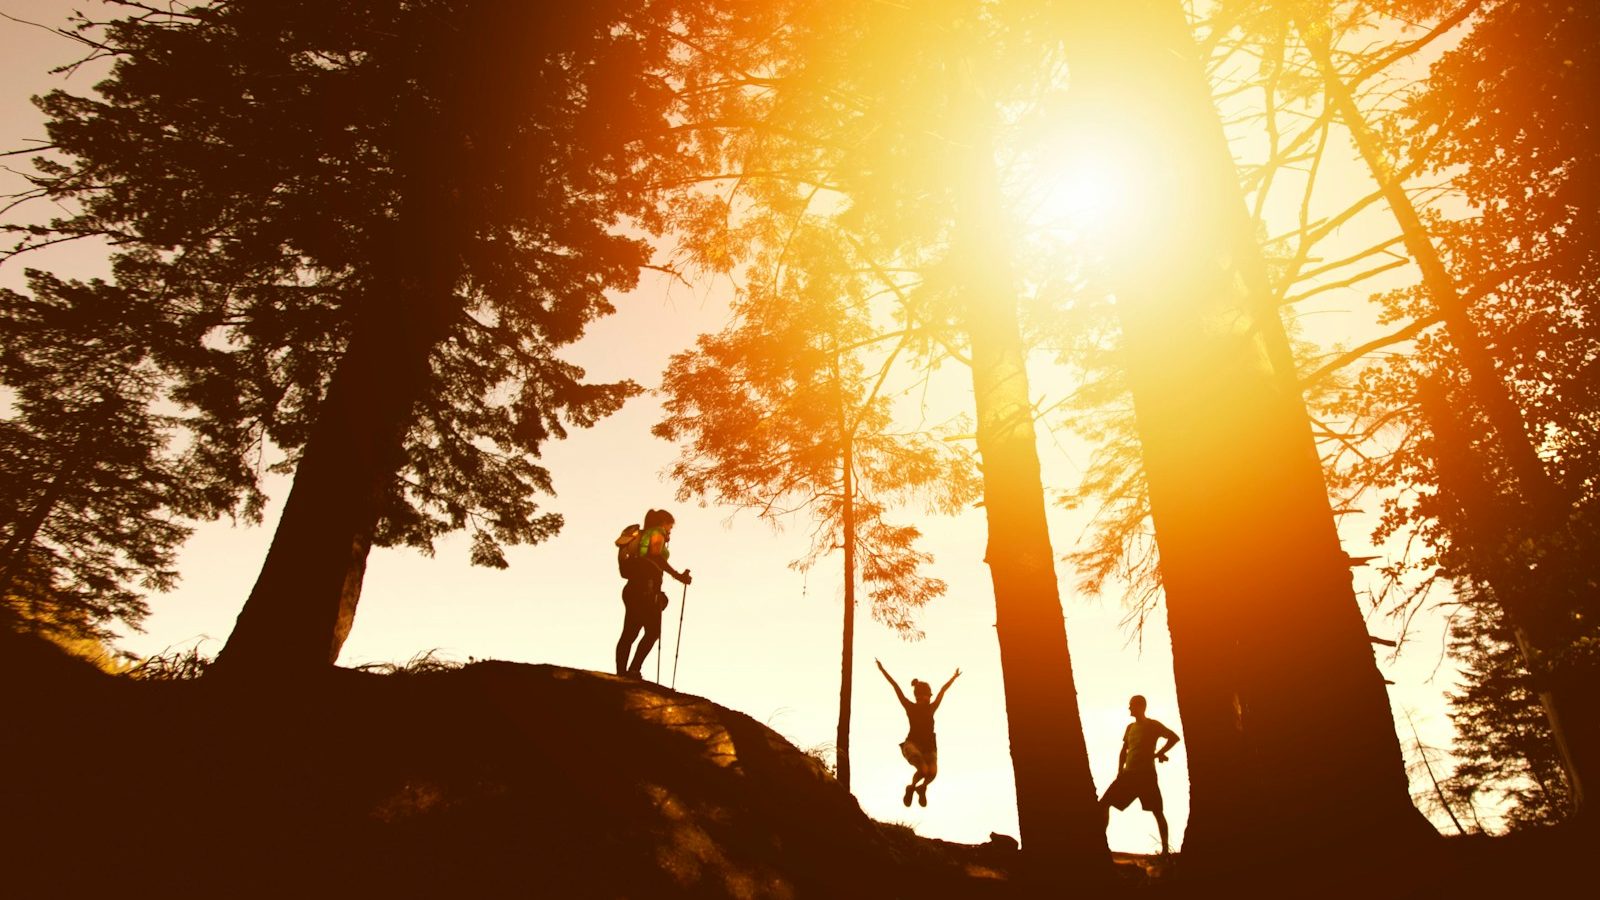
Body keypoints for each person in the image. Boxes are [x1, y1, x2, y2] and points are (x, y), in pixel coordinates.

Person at [1099, 694, 1181, 855]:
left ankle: (1165, 850)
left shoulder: (1153, 725)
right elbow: (1124, 750)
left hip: (1146, 776)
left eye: (1132, 705)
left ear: (1141, 707)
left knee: (1158, 811)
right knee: (1103, 804)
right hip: (1128, 775)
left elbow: (1174, 738)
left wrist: (1159, 753)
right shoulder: (1130, 727)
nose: (1129, 708)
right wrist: (1119, 771)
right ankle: (1102, 843)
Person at [615, 508, 691, 678]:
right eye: (670, 526)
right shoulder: (657, 532)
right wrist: (678, 576)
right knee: (652, 631)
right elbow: (656, 556)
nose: (670, 531)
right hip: (646, 588)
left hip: (633, 587)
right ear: (664, 523)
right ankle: (633, 669)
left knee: (630, 632)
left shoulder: (644, 535)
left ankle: (622, 672)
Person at [876, 658, 960, 807]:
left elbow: (943, 690)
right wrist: (882, 670)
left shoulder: (931, 707)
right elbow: (895, 686)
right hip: (913, 744)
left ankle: (922, 788)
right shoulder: (911, 707)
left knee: (932, 772)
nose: (928, 698)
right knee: (923, 769)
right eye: (927, 696)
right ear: (921, 696)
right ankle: (911, 788)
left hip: (929, 746)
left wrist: (953, 678)